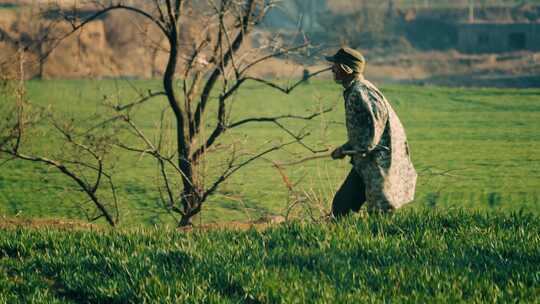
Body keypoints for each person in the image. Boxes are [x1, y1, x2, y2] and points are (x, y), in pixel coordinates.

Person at [326, 47, 417, 216]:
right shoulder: (356, 90)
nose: (332, 69)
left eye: (335, 66)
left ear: (346, 69)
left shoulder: (361, 92)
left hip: (379, 164)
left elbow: (370, 137)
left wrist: (344, 150)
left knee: (380, 215)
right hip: (366, 162)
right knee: (341, 206)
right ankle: (346, 240)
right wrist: (346, 148)